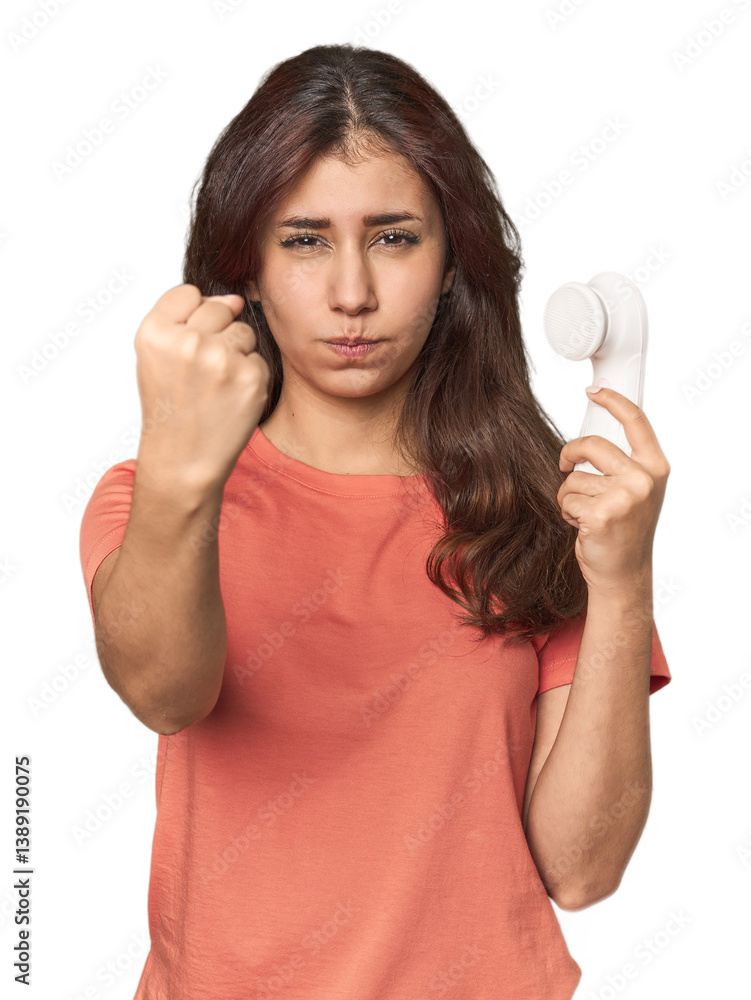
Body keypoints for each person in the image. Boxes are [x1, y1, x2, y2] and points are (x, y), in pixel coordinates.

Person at [79, 42, 672, 1000]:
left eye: (394, 237)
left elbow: (582, 869)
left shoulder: (543, 510)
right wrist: (184, 466)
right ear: (249, 271)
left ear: (450, 264)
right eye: (305, 239)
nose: (352, 292)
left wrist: (625, 582)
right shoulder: (150, 497)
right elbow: (164, 694)